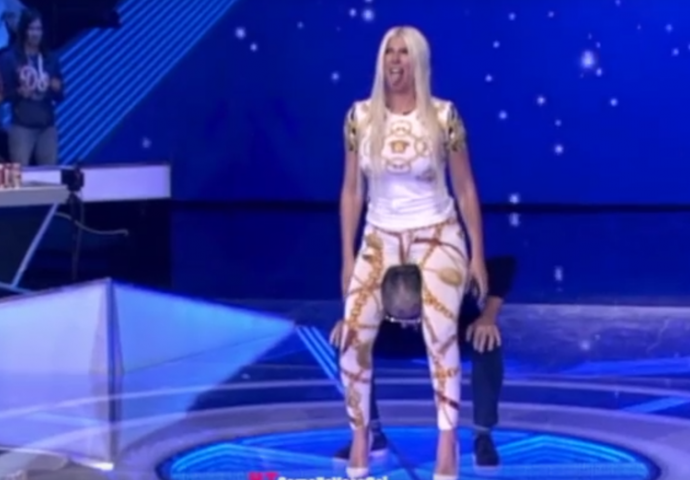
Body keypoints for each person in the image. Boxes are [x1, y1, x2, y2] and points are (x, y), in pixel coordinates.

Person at [337, 26, 487, 480]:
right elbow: (351, 192)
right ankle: (361, 436)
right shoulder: (360, 117)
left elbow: (465, 188)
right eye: (389, 52)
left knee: (440, 330)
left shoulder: (444, 116)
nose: (395, 61)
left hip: (436, 233)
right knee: (352, 336)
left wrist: (477, 254)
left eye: (404, 53)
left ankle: (447, 443)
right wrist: (347, 257)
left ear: (418, 61)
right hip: (379, 237)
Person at [330, 256, 516, 467]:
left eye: (411, 317)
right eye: (400, 318)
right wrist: (352, 320)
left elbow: (504, 266)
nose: (407, 324)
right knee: (346, 342)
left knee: (488, 341)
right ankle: (371, 433)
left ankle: (483, 435)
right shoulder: (375, 271)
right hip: (394, 337)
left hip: (447, 330)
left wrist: (488, 317)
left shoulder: (449, 276)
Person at [1, 8, 63, 166]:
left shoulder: (50, 59)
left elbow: (61, 94)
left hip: (47, 128)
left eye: (39, 29)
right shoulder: (10, 59)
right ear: (24, 30)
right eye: (31, 29)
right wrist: (19, 92)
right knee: (20, 175)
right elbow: (3, 95)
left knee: (50, 175)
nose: (35, 34)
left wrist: (56, 87)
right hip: (21, 128)